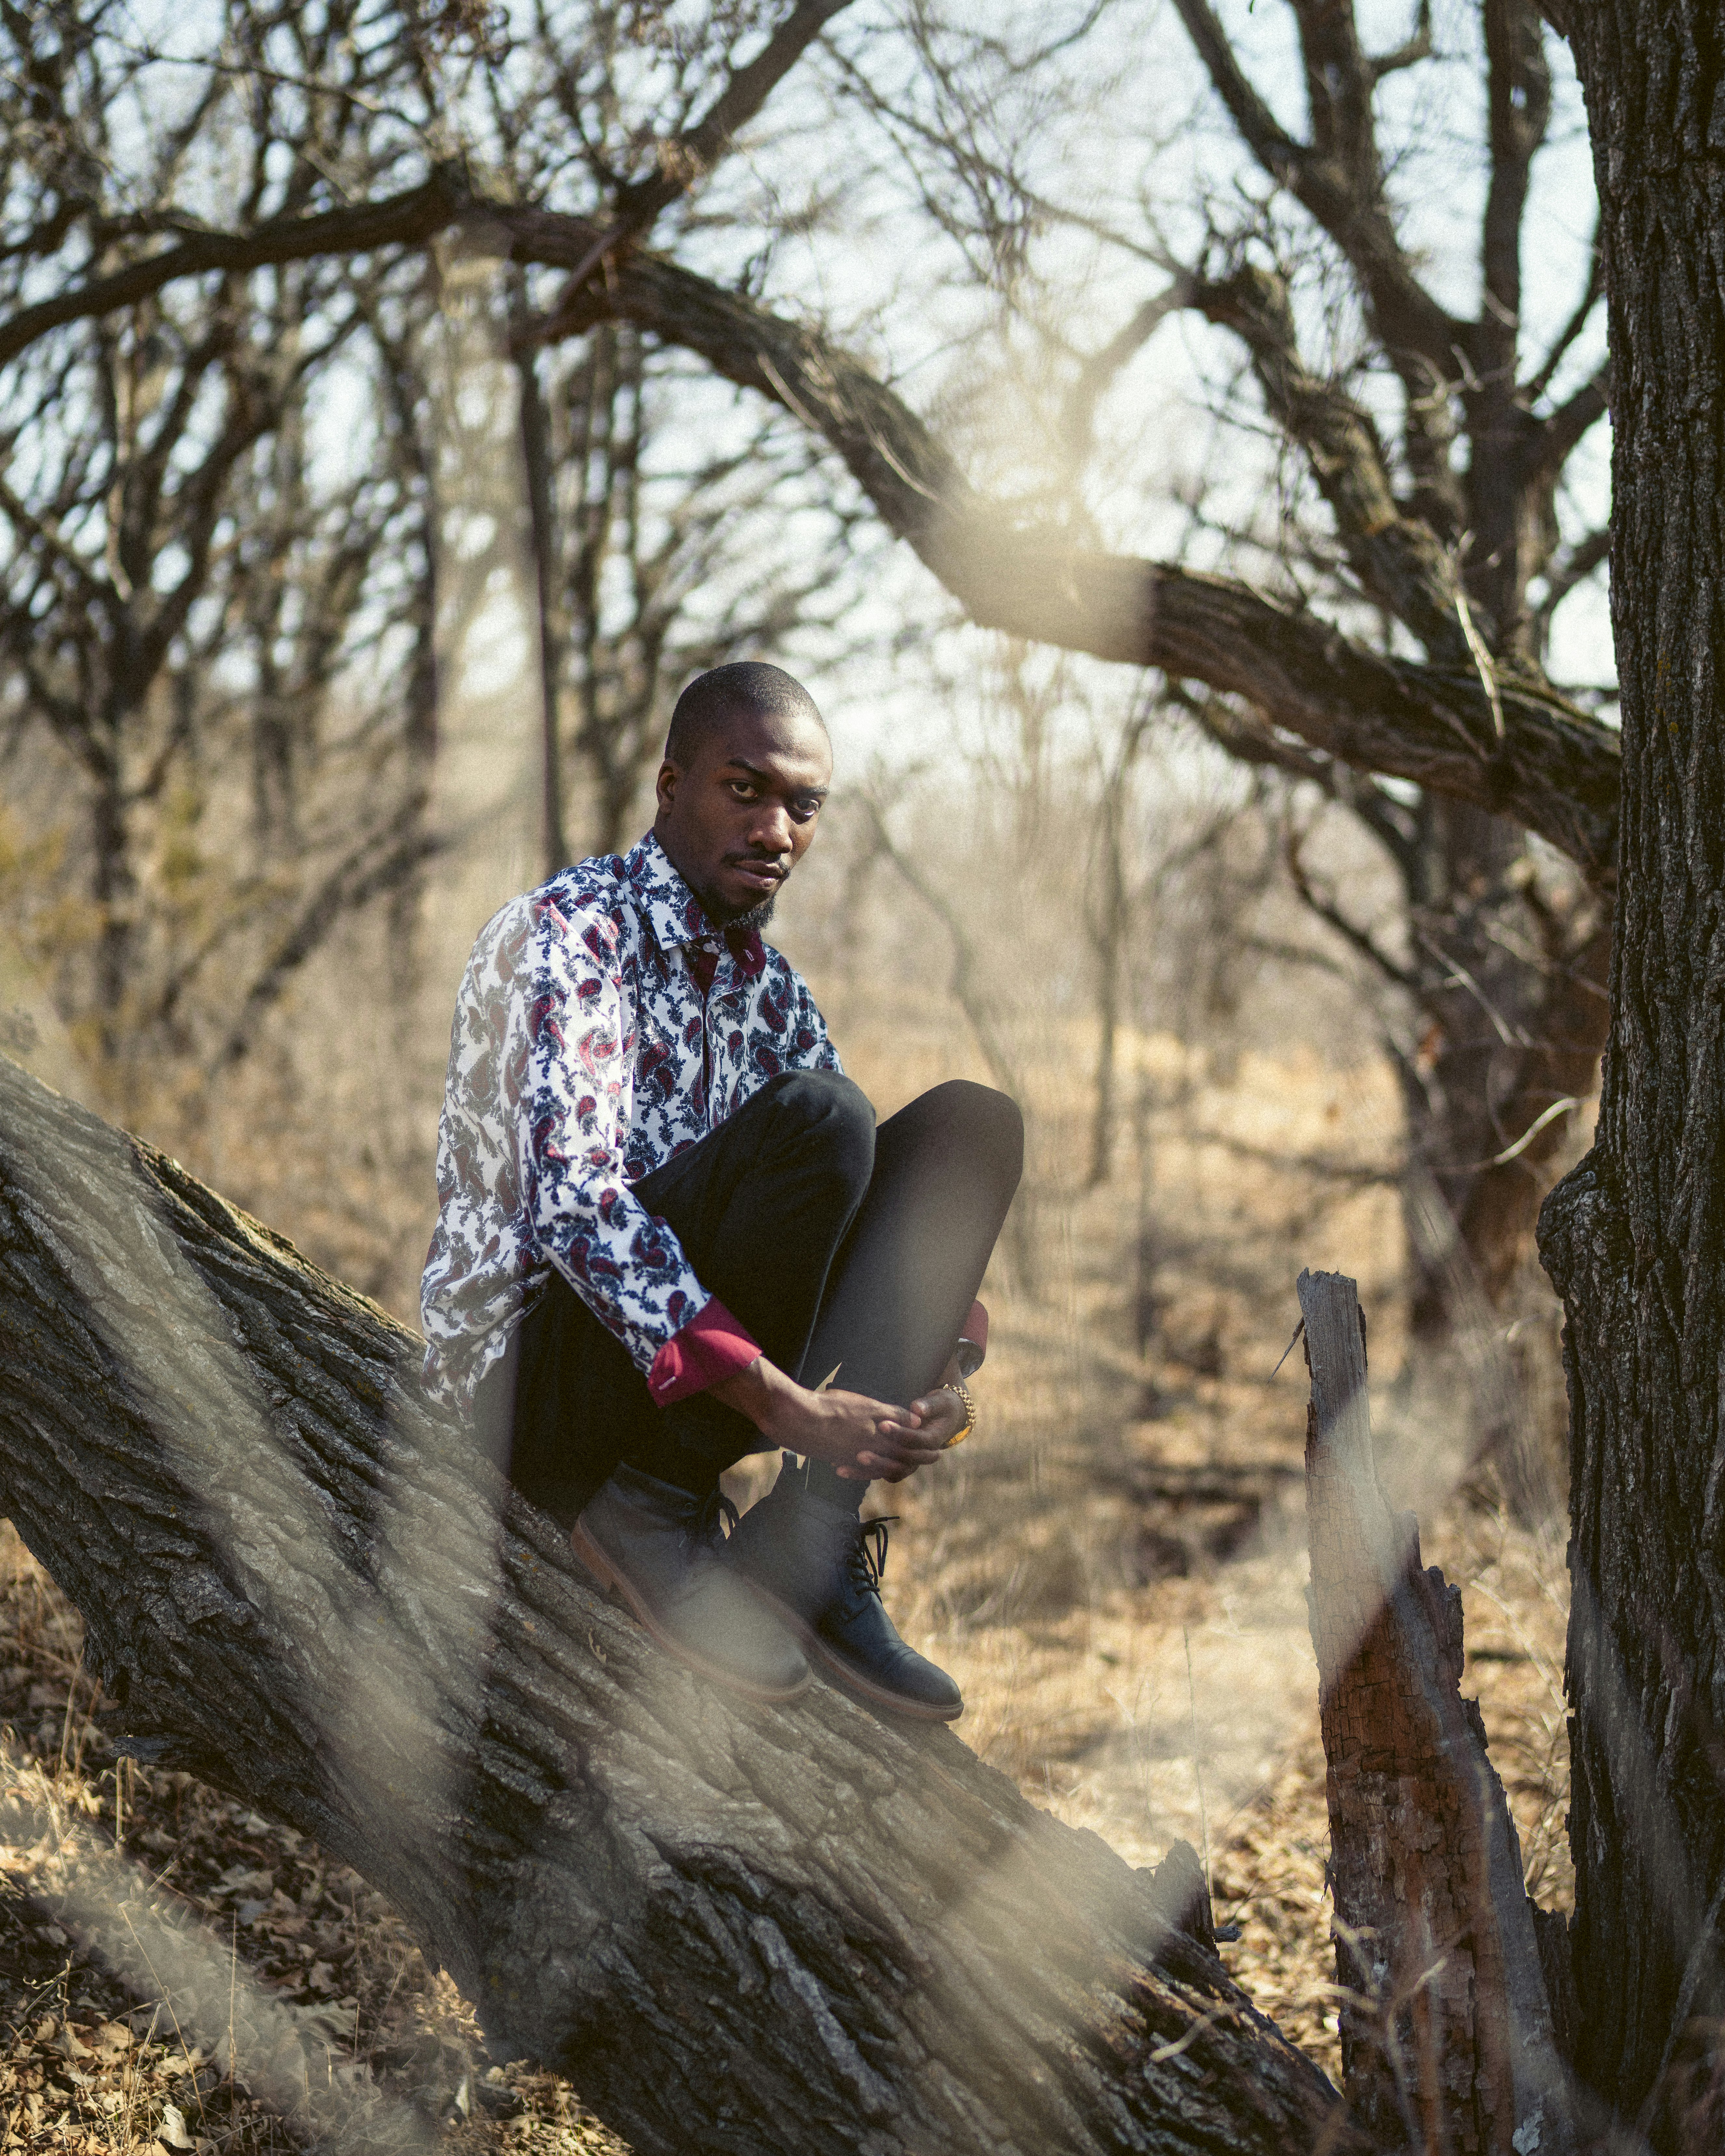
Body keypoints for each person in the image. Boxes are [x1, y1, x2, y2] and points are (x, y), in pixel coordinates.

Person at [421, 661, 1022, 1717]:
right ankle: (647, 1509)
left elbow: (849, 1220)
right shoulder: (567, 935)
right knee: (825, 1118)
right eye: (745, 790)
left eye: (804, 806)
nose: (777, 830)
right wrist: (779, 1401)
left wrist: (943, 1384)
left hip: (671, 1387)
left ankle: (810, 1542)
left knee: (972, 1129)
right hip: (524, 1386)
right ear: (669, 785)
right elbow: (577, 1206)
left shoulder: (774, 995)